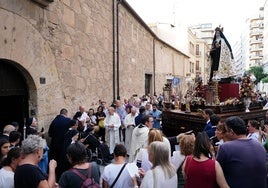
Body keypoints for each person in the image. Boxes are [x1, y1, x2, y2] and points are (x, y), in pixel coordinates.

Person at [217, 116, 267, 188]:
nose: (225, 133)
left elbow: (216, 172)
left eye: (226, 131)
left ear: (231, 132)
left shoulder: (225, 147)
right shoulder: (259, 146)